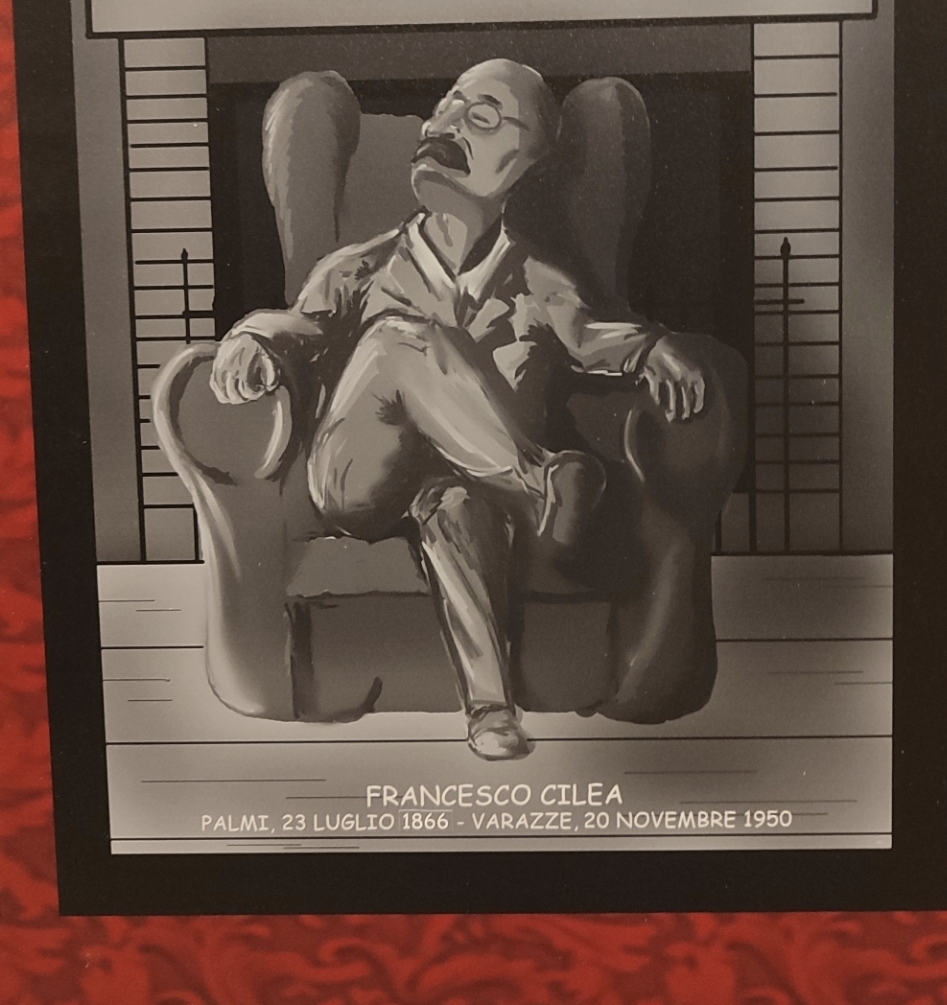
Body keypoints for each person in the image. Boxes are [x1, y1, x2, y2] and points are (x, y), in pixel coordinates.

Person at [209, 59, 705, 758]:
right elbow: (301, 323)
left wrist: (650, 348)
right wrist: (254, 336)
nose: (442, 125)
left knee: (456, 508)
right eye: (445, 107)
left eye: (481, 117)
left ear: (528, 161)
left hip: (465, 484)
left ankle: (491, 711)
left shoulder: (538, 281)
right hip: (356, 474)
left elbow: (592, 337)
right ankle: (537, 484)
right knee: (396, 339)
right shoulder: (362, 266)